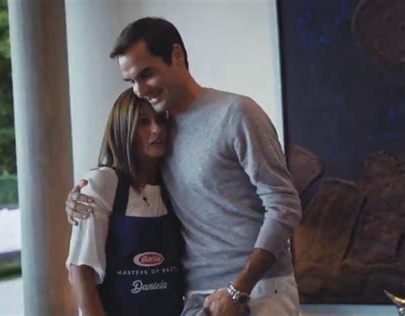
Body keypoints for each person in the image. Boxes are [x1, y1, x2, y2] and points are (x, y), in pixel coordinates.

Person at [66, 17, 302, 316]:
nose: (139, 90)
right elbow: (132, 183)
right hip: (196, 296)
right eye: (131, 81)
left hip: (260, 290)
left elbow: (285, 204)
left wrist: (238, 288)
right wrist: (81, 197)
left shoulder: (237, 113)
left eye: (146, 74)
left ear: (177, 56)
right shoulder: (161, 134)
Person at [66, 88, 184, 316]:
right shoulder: (101, 183)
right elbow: (81, 270)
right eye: (143, 122)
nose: (156, 129)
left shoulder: (174, 185)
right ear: (123, 129)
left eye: (160, 120)